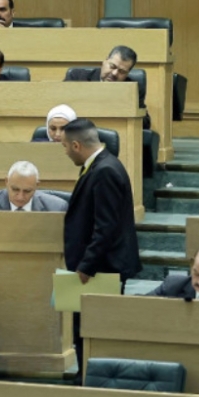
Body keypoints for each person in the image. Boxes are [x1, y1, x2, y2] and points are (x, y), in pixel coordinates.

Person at [61, 118, 141, 283]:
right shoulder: (99, 165)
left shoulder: (105, 172)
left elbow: (106, 226)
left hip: (104, 268)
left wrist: (86, 266)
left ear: (76, 146)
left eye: (65, 146)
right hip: (100, 266)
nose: (66, 152)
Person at [64, 46, 150, 129]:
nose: (114, 73)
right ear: (105, 61)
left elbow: (145, 123)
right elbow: (61, 109)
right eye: (112, 66)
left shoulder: (132, 89)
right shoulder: (77, 77)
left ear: (127, 73)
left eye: (122, 71)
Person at [0, 161, 67, 212]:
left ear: (36, 185)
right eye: (15, 189)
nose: (20, 197)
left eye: (27, 191)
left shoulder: (56, 208)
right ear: (6, 182)